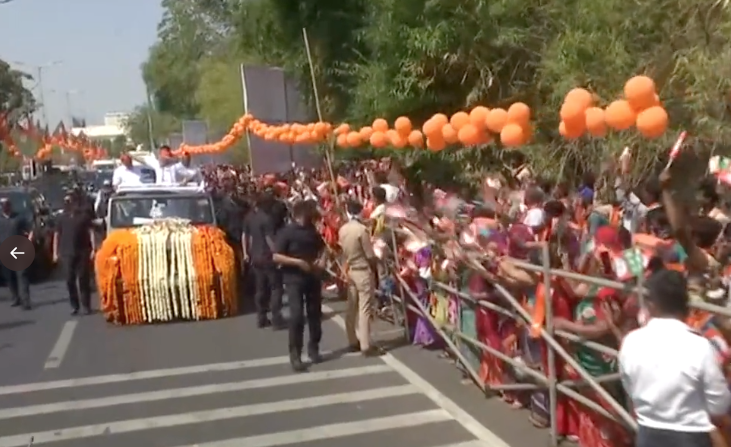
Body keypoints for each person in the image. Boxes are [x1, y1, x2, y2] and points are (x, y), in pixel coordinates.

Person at [619, 269, 731, 447]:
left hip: (648, 434)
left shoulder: (630, 342)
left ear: (651, 305)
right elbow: (719, 405)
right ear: (686, 306)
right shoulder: (700, 347)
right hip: (692, 438)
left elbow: (629, 387)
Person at [273, 200, 325, 372]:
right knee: (296, 316)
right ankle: (295, 354)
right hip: (293, 277)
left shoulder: (312, 231)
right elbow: (277, 257)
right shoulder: (286, 233)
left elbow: (323, 248)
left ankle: (314, 347)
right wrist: (297, 262)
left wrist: (322, 261)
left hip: (312, 276)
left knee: (315, 314)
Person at [339, 200, 381, 356]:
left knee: (351, 307)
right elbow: (369, 254)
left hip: (350, 269)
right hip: (363, 270)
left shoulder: (343, 229)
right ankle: (365, 344)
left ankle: (352, 339)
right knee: (364, 309)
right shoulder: (362, 230)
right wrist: (376, 264)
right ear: (360, 212)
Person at [243, 193, 284, 329]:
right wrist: (277, 254)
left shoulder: (250, 218)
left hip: (256, 257)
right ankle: (277, 318)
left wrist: (246, 252)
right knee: (275, 287)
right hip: (268, 257)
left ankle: (261, 317)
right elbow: (269, 239)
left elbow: (246, 236)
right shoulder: (267, 219)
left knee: (260, 289)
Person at [53, 193, 96, 315]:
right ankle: (74, 305)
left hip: (82, 251)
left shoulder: (84, 217)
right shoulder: (61, 218)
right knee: (69, 279)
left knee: (83, 278)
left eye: (71, 202)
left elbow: (91, 232)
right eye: (67, 202)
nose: (69, 204)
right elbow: (57, 235)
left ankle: (86, 305)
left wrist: (93, 249)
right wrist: (55, 253)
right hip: (67, 253)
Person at [0, 198, 32, 309]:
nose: (5, 207)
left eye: (7, 204)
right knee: (9, 276)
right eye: (3, 205)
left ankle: (25, 301)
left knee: (22, 275)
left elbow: (30, 230)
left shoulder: (19, 218)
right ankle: (15, 297)